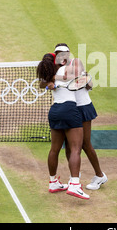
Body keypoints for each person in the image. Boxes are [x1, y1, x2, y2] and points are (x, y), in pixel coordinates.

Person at [37, 46, 89, 199]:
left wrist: (50, 82)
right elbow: (85, 77)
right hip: (69, 110)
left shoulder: (50, 72)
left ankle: (53, 182)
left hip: (54, 112)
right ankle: (74, 184)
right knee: (75, 148)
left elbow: (43, 83)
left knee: (54, 149)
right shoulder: (68, 68)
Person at [58, 45, 108, 191]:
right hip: (70, 109)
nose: (61, 56)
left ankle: (100, 176)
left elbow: (88, 84)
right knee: (68, 144)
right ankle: (75, 177)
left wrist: (86, 79)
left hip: (83, 107)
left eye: (63, 53)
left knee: (85, 144)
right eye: (58, 54)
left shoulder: (76, 64)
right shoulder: (60, 69)